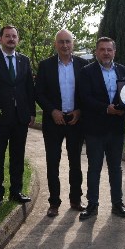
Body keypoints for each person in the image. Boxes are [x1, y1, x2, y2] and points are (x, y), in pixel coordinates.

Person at [0, 25, 36, 208]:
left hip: (20, 118)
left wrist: (32, 112)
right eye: (7, 36)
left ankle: (16, 191)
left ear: (17, 39)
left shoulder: (24, 61)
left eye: (14, 36)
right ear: (0, 39)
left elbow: (29, 89)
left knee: (18, 156)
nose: (11, 39)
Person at [34, 29, 87, 218]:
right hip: (53, 121)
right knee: (52, 163)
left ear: (73, 43)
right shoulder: (45, 65)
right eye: (61, 42)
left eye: (68, 41)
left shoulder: (83, 65)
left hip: (75, 120)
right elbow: (38, 93)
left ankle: (76, 199)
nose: (65, 45)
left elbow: (88, 92)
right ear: (55, 44)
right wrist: (52, 111)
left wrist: (80, 111)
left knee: (75, 163)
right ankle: (54, 203)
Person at [77, 37, 125, 220]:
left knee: (116, 168)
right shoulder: (86, 72)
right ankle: (92, 204)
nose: (106, 53)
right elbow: (85, 98)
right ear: (96, 52)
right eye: (102, 49)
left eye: (109, 49)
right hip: (95, 129)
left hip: (116, 129)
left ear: (114, 52)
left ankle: (118, 203)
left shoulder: (122, 70)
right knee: (94, 168)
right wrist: (106, 109)